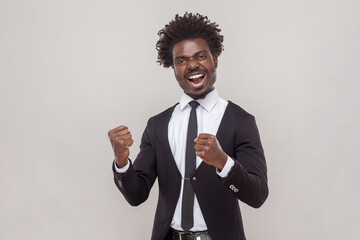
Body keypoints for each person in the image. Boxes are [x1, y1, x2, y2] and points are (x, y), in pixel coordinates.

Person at [108, 12, 268, 240]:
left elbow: (258, 195)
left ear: (215, 59)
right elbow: (137, 195)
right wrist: (122, 163)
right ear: (173, 68)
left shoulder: (240, 121)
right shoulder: (158, 125)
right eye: (181, 61)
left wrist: (223, 162)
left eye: (201, 56)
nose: (192, 65)